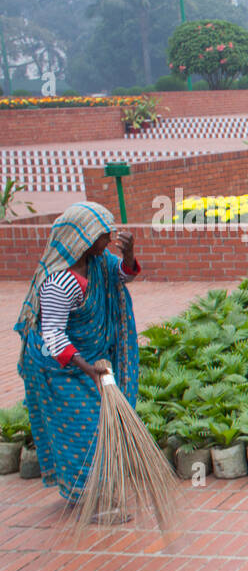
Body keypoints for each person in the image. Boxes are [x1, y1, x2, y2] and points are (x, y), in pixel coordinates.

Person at [13, 201, 143, 516]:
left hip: (84, 360)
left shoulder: (98, 262)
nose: (110, 238)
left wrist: (128, 257)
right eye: (103, 234)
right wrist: (89, 370)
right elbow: (53, 334)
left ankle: (91, 492)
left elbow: (122, 275)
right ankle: (92, 503)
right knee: (86, 427)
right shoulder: (60, 281)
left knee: (100, 421)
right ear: (83, 239)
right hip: (58, 366)